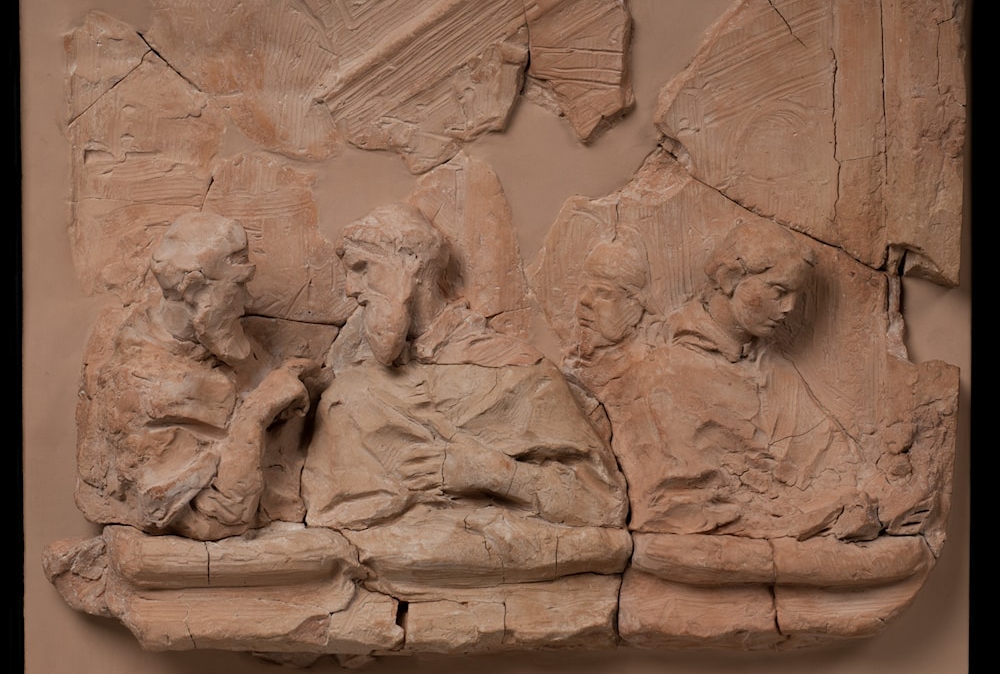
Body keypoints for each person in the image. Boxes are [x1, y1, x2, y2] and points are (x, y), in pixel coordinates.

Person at [302, 203, 630, 581]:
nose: (351, 289)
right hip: (383, 574)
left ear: (410, 264)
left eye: (363, 268)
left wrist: (490, 472)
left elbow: (598, 502)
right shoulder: (349, 392)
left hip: (499, 579)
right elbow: (330, 510)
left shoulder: (518, 374)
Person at [631, 219, 880, 540]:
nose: (790, 308)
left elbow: (835, 457)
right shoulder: (667, 371)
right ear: (730, 279)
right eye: (779, 291)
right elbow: (672, 501)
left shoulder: (777, 374)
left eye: (796, 295)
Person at [76, 212, 318, 541]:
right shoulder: (142, 388)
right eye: (238, 286)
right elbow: (222, 517)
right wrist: (256, 413)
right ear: (192, 289)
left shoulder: (218, 339)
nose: (247, 302)